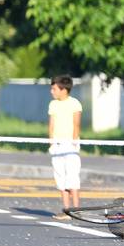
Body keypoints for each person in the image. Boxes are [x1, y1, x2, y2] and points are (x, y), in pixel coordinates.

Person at [48, 75, 82, 219]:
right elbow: (51, 125)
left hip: (70, 144)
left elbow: (76, 124)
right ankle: (67, 210)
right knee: (60, 178)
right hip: (57, 144)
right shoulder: (53, 104)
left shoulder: (75, 103)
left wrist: (74, 142)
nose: (52, 91)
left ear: (63, 89)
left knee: (72, 177)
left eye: (54, 89)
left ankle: (76, 209)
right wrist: (51, 143)